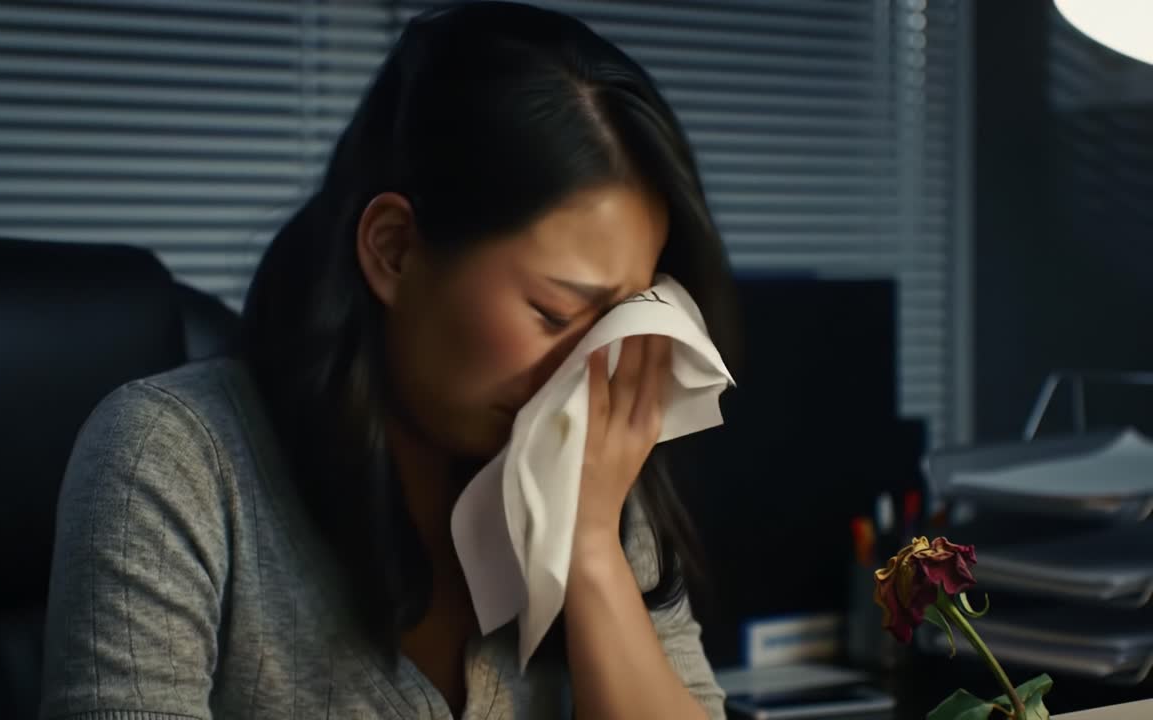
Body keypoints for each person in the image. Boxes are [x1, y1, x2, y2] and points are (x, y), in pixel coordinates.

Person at [40, 2, 740, 718]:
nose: (592, 369)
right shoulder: (174, 461)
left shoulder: (594, 469)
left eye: (621, 320)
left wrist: (592, 551)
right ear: (395, 250)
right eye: (556, 315)